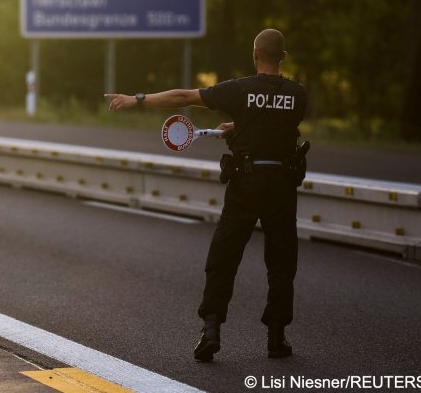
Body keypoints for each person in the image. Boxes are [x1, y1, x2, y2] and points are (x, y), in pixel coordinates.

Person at [105, 28, 307, 362]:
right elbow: (276, 127)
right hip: (282, 187)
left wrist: (136, 99)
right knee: (282, 263)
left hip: (245, 185)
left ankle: (211, 330)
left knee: (224, 258)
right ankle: (276, 337)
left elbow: (183, 96)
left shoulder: (239, 90)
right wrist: (239, 127)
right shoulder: (298, 95)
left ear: (255, 54)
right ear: (282, 57)